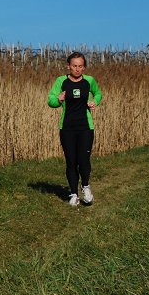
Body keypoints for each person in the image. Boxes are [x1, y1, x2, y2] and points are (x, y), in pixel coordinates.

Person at [47, 52, 103, 207]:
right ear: (68, 67)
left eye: (80, 66)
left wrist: (94, 101)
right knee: (71, 161)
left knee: (83, 160)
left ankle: (85, 186)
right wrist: (58, 100)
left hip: (85, 127)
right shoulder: (61, 81)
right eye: (74, 66)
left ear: (84, 67)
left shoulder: (89, 81)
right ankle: (74, 194)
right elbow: (50, 100)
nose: (77, 69)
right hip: (67, 128)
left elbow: (98, 93)